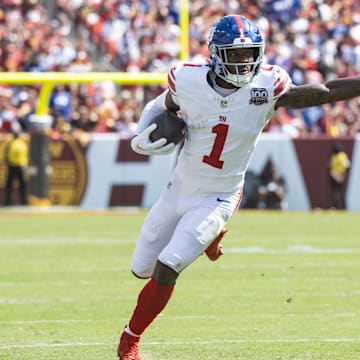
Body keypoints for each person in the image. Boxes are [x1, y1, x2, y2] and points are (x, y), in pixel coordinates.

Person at [118, 14, 360, 359]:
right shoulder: (187, 79)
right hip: (179, 187)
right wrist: (142, 137)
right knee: (140, 269)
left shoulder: (268, 86)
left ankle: (130, 338)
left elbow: (323, 92)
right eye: (236, 54)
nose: (245, 62)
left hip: (220, 195)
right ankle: (209, 237)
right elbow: (163, 106)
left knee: (168, 265)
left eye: (250, 54)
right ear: (216, 54)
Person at [4, 131, 29, 206]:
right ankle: (24, 202)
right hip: (22, 166)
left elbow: (6, 154)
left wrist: (8, 163)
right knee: (23, 186)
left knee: (9, 185)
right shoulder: (23, 144)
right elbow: (27, 155)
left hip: (12, 166)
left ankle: (8, 202)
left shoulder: (10, 143)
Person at [328, 143, 351, 209]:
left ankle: (336, 207)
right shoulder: (343, 156)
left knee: (335, 193)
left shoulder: (333, 157)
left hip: (334, 177)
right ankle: (344, 207)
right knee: (342, 193)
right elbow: (347, 166)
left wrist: (336, 176)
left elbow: (330, 168)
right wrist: (342, 177)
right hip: (341, 177)